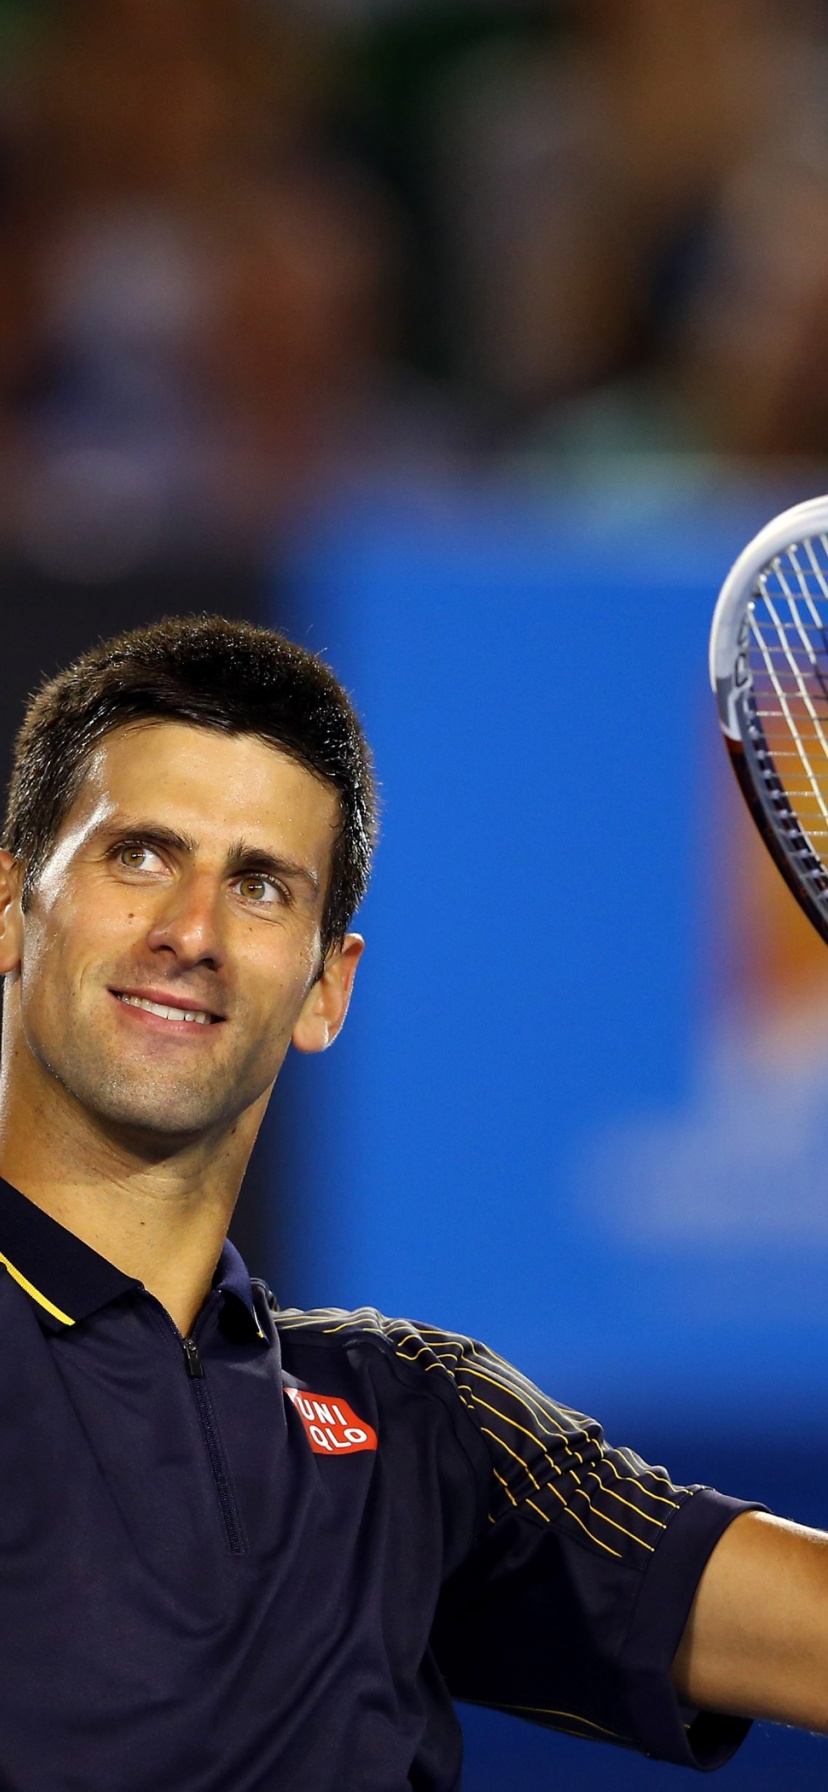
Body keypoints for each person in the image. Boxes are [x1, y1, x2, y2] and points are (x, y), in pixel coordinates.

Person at [0, 615, 825, 1792]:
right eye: (138, 855)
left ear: (328, 988)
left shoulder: (421, 1424)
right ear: (10, 906)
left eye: (262, 886)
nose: (191, 932)